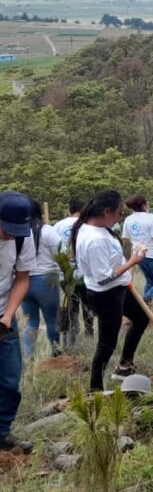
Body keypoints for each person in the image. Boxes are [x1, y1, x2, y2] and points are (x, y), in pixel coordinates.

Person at [73, 190, 149, 390]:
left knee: (141, 318)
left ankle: (125, 366)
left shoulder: (98, 227)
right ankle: (95, 389)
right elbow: (104, 277)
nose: (120, 217)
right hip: (106, 295)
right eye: (120, 212)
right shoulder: (94, 240)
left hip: (120, 288)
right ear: (107, 212)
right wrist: (133, 261)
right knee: (107, 344)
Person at [0, 191, 36, 454]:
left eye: (17, 230)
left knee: (10, 382)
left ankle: (2, 434)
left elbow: (22, 278)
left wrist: (8, 315)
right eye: (6, 229)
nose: (11, 235)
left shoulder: (24, 237)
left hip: (4, 317)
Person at [21, 199, 61, 359]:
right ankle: (56, 355)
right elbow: (61, 253)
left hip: (23, 282)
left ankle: (28, 357)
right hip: (46, 281)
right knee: (52, 320)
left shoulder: (18, 232)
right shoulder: (47, 230)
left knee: (31, 322)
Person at [54, 196, 94, 345]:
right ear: (83, 210)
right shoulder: (85, 225)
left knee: (71, 305)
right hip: (83, 274)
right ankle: (89, 333)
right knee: (87, 304)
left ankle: (72, 335)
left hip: (65, 274)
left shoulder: (57, 226)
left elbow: (54, 249)